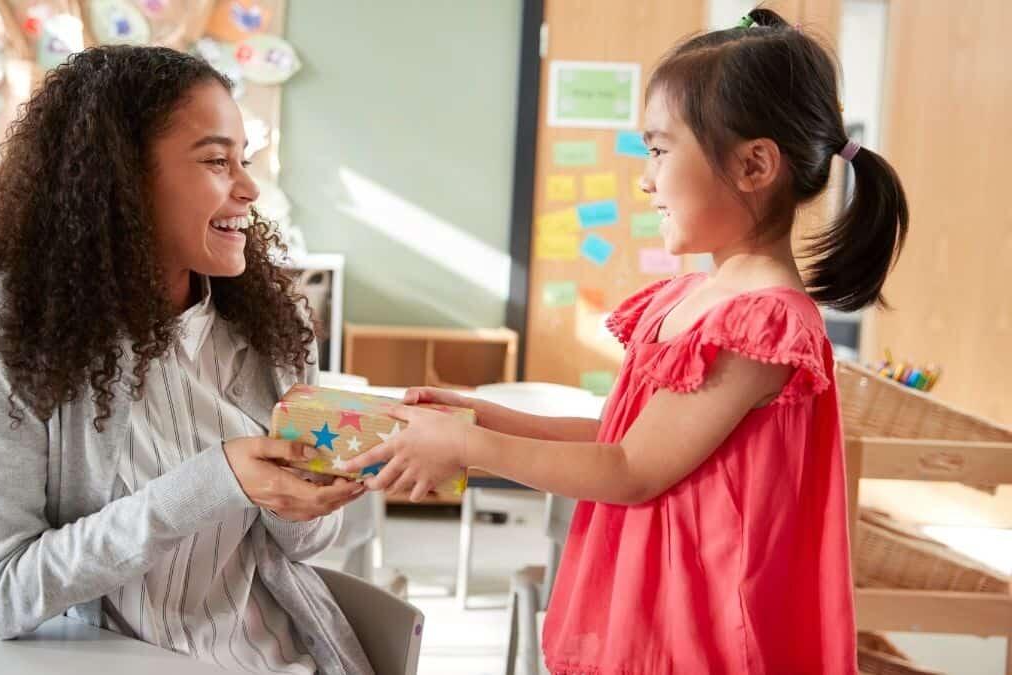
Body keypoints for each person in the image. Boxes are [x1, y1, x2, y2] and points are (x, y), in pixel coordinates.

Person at [345, 9, 908, 673]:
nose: (645, 179)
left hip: (701, 631)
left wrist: (467, 445)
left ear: (754, 164)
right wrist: (476, 415)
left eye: (660, 150)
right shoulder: (692, 298)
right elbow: (622, 438)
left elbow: (632, 472)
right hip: (649, 606)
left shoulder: (764, 326)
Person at [0, 45, 372, 674]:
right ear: (123, 178)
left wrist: (305, 495)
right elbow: (2, 594)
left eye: (244, 160)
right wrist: (216, 482)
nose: (247, 188)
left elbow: (306, 546)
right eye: (217, 161)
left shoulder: (277, 323)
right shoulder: (13, 329)